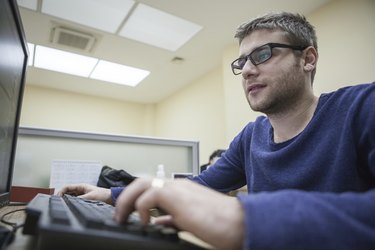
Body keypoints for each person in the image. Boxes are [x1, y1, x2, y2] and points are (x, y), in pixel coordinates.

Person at [58, 12, 375, 250]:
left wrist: (243, 218)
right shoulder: (252, 136)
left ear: (307, 59)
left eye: (262, 54)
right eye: (242, 63)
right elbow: (200, 186)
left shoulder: (362, 107)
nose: (248, 70)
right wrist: (110, 194)